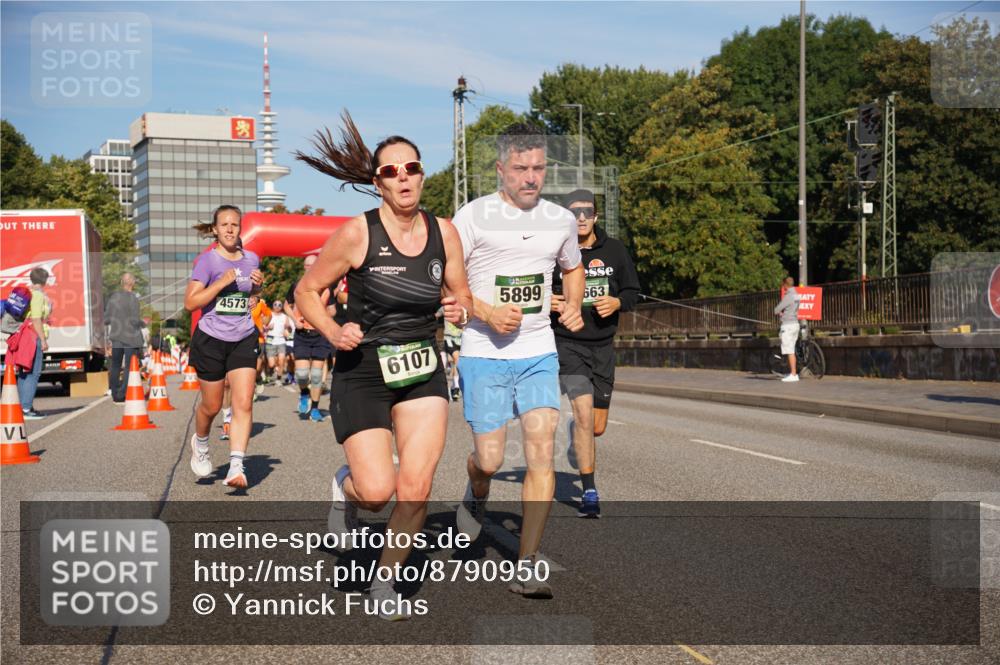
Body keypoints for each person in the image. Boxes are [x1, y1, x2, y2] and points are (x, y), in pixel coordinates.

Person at [294, 111, 472, 620]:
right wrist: (332, 331)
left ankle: (386, 583)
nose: (403, 178)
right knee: (377, 494)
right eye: (391, 171)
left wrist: (461, 308)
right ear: (377, 183)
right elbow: (306, 291)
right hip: (364, 368)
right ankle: (342, 486)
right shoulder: (357, 234)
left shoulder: (445, 233)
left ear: (422, 174)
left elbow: (459, 295)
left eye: (410, 168)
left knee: (416, 486)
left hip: (422, 367)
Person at [452, 122, 584, 598]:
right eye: (521, 168)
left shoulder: (560, 219)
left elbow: (573, 268)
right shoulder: (472, 216)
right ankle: (477, 491)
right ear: (500, 168)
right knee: (488, 459)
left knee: (541, 448)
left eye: (539, 168)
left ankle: (526, 563)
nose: (531, 178)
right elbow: (451, 281)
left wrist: (571, 302)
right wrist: (486, 311)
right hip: (484, 351)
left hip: (537, 351)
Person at [550, 189, 640, 518]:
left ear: (596, 216)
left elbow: (632, 291)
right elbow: (535, 288)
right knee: (584, 414)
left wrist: (617, 302)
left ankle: (581, 434)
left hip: (603, 345)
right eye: (575, 212)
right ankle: (589, 491)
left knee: (596, 426)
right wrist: (550, 300)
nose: (582, 217)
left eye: (588, 212)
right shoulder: (555, 252)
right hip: (568, 342)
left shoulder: (614, 250)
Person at [184, 205, 264, 489]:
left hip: (243, 336)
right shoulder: (208, 262)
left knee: (243, 402)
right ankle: (201, 443)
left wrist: (257, 289)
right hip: (211, 339)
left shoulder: (252, 258)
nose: (230, 229)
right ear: (215, 230)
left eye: (235, 224)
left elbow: (251, 296)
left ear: (240, 228)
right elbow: (191, 303)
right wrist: (219, 283)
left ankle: (237, 465)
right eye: (224, 225)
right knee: (212, 405)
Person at [284, 255, 335, 422]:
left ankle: (314, 408)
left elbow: (333, 310)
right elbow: (286, 305)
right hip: (302, 334)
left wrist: (323, 317)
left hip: (320, 335)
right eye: (307, 265)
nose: (310, 267)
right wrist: (294, 319)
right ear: (304, 267)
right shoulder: (296, 286)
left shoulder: (327, 287)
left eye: (314, 265)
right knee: (302, 374)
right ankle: (304, 393)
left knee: (316, 375)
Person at [5, 268, 52, 419]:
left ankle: (23, 406)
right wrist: (43, 339)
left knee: (25, 371)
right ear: (44, 280)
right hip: (32, 336)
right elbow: (36, 319)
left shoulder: (29, 293)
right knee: (34, 372)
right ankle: (25, 408)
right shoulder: (38, 296)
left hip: (24, 334)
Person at [104, 272, 146, 404]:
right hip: (130, 338)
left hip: (116, 336)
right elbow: (134, 320)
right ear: (132, 283)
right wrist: (142, 323)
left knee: (115, 366)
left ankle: (115, 394)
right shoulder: (133, 298)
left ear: (122, 283)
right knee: (129, 366)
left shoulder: (113, 298)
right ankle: (123, 394)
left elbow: (106, 319)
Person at [774, 276, 802, 382]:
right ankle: (792, 372)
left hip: (788, 325)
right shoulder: (796, 295)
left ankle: (794, 374)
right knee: (791, 349)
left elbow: (777, 309)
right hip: (795, 324)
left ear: (785, 285)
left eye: (783, 284)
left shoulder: (788, 296)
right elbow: (793, 308)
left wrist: (780, 313)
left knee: (789, 350)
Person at [264, 299, 292, 386]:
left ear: (282, 307)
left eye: (279, 305)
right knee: (271, 364)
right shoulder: (269, 315)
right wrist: (268, 328)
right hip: (270, 341)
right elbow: (263, 327)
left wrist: (288, 327)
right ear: (273, 306)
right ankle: (273, 370)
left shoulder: (285, 317)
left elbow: (289, 330)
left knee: (281, 361)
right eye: (275, 304)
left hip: (281, 341)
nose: (277, 306)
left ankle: (278, 379)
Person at [249, 294, 272, 393]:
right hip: (243, 338)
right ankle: (250, 390)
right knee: (248, 368)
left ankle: (258, 379)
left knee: (257, 368)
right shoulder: (241, 301)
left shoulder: (260, 304)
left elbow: (268, 314)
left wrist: (265, 322)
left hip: (258, 339)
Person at [443, 317, 462, 401]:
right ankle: (455, 388)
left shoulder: (465, 306)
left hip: (460, 338)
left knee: (456, 361)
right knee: (453, 360)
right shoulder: (445, 306)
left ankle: (454, 386)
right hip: (447, 338)